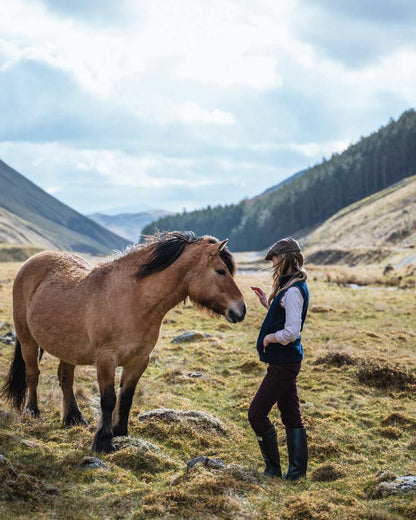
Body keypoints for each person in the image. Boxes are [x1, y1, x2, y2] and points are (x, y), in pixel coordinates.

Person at [249, 237, 309, 480]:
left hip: (284, 363)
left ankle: (273, 469)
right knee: (290, 413)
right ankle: (295, 473)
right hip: (284, 362)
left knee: (256, 414)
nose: (272, 264)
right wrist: (268, 304)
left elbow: (292, 331)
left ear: (285, 258)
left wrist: (270, 338)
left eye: (274, 259)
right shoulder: (290, 287)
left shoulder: (293, 290)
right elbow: (285, 318)